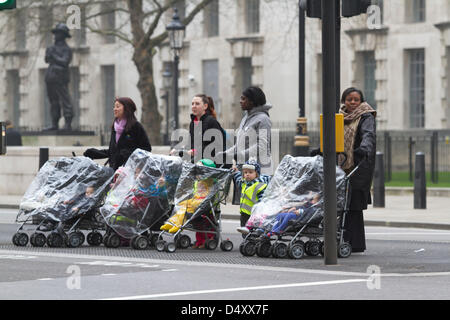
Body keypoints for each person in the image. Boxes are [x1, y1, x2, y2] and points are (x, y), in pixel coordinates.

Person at [338, 87, 376, 253]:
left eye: (356, 99)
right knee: (340, 203)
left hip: (359, 163)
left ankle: (356, 243)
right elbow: (334, 136)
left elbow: (369, 135)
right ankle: (341, 239)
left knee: (353, 204)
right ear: (343, 101)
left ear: (361, 101)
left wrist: (364, 148)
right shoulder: (339, 116)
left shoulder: (366, 116)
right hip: (341, 164)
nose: (352, 102)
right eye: (349, 99)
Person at [83, 97, 152, 170]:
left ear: (127, 108)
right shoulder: (114, 127)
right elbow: (112, 152)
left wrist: (126, 154)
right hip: (114, 171)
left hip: (130, 171)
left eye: (118, 106)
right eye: (114, 106)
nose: (114, 109)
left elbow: (146, 148)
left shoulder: (136, 126)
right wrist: (93, 153)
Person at [223, 86, 272, 174]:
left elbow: (262, 145)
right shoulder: (245, 118)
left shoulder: (263, 119)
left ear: (252, 101)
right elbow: (240, 145)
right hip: (243, 169)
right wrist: (226, 154)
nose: (240, 101)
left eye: (243, 99)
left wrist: (240, 155)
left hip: (257, 171)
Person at [171, 94, 228, 167]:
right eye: (192, 104)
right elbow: (191, 144)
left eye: (197, 104)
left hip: (212, 163)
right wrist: (178, 150)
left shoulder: (211, 121)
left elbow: (216, 145)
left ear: (205, 106)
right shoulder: (193, 123)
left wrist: (196, 151)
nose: (194, 106)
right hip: (197, 160)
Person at [44, 23, 74, 131]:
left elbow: (65, 62)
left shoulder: (67, 49)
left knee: (65, 100)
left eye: (58, 33)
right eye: (55, 33)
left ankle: (68, 123)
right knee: (53, 101)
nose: (55, 35)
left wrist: (54, 56)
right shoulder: (51, 48)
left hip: (61, 77)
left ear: (63, 35)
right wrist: (50, 56)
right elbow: (47, 59)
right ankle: (54, 123)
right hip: (50, 76)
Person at [234, 159, 270, 235]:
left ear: (256, 174)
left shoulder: (260, 185)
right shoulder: (244, 183)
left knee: (255, 232)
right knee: (244, 231)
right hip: (244, 214)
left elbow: (262, 200)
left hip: (254, 214)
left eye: (250, 172)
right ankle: (247, 242)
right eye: (245, 172)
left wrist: (260, 211)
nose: (247, 174)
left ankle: (257, 242)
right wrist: (236, 172)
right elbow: (238, 180)